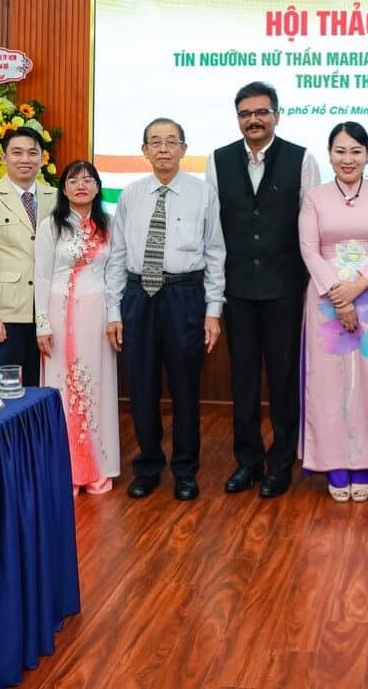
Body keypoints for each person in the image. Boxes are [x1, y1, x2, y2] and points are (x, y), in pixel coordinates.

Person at [206, 80, 320, 498]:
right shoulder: (218, 161)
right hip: (238, 289)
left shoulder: (302, 159)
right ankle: (248, 461)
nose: (253, 120)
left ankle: (281, 463)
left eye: (261, 112)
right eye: (245, 113)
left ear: (276, 114)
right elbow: (215, 232)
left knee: (285, 378)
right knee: (244, 379)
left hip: (286, 288)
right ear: (238, 118)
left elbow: (312, 227)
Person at [105, 118, 225, 501]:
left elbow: (215, 253)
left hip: (184, 295)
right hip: (139, 296)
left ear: (184, 149)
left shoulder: (203, 193)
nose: (162, 148)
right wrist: (114, 310)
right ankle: (149, 466)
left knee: (186, 387)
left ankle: (186, 470)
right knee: (141, 386)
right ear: (143, 150)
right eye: (154, 142)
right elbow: (118, 254)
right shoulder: (131, 194)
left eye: (171, 141)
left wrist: (213, 310)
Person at [298, 122, 368, 502]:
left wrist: (359, 286)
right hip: (325, 299)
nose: (348, 159)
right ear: (329, 154)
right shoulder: (315, 197)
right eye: (340, 151)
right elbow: (309, 249)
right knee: (329, 385)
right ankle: (336, 464)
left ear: (367, 155)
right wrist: (339, 298)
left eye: (356, 151)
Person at [35, 159, 120, 495]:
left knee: (97, 384)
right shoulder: (51, 226)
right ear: (64, 188)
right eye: (73, 180)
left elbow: (114, 275)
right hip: (58, 312)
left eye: (88, 179)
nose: (81, 185)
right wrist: (42, 323)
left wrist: (115, 315)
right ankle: (66, 469)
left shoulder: (109, 224)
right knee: (62, 387)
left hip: (97, 315)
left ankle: (100, 466)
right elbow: (41, 277)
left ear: (98, 187)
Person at [0, 127, 58, 386]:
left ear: (43, 158)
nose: (25, 159)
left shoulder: (55, 196)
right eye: (17, 153)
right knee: (8, 389)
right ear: (4, 158)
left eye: (33, 153)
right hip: (6, 314)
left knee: (39, 387)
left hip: (47, 312)